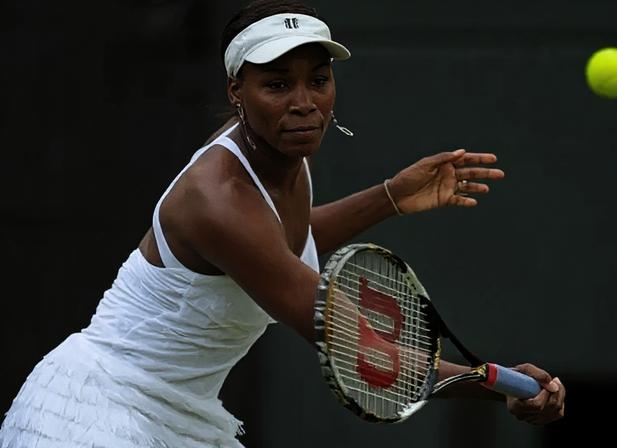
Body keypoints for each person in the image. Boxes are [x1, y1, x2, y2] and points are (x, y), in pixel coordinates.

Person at [0, 0, 565, 446]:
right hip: (96, 415)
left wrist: (391, 196)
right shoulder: (217, 202)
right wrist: (498, 384)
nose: (304, 103)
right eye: (276, 84)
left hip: (181, 418)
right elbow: (359, 350)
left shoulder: (279, 153)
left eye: (317, 80)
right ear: (236, 92)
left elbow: (283, 248)